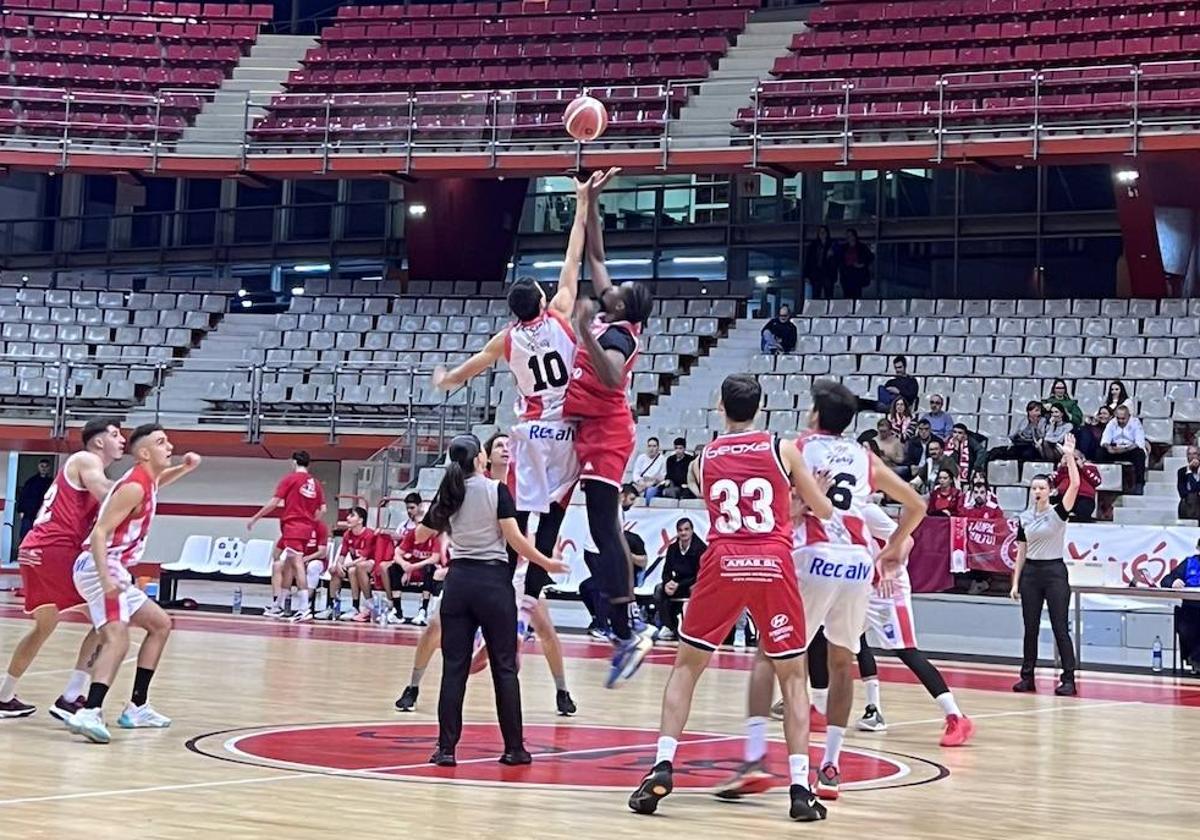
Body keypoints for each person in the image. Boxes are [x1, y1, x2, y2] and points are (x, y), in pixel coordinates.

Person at [628, 374, 835, 822]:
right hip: (771, 562)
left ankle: (662, 764)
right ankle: (801, 789)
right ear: (762, 407)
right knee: (793, 679)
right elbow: (823, 510)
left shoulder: (703, 459)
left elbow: (722, 507)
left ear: (719, 404)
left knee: (686, 668)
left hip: (723, 560)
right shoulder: (783, 449)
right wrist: (805, 491)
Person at [722, 378, 926, 804]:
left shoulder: (797, 448)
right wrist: (891, 551)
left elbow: (790, 504)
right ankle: (830, 766)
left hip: (812, 558)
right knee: (841, 662)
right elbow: (917, 505)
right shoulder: (863, 456)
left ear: (815, 415)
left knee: (769, 656)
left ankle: (756, 757)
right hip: (856, 564)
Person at [394, 433, 578, 717]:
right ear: (485, 457)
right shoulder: (473, 485)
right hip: (481, 570)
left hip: (515, 570)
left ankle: (562, 690)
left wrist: (543, 559)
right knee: (434, 627)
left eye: (510, 445)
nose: (507, 449)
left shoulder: (524, 483)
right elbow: (440, 529)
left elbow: (528, 534)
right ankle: (413, 685)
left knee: (546, 631)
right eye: (500, 445)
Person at [563, 171, 656, 688]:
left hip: (608, 433)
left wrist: (581, 331)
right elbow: (596, 257)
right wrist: (592, 200)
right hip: (584, 427)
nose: (608, 287)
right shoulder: (613, 311)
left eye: (616, 292)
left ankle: (627, 624)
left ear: (621, 308)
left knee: (604, 526)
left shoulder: (618, 332)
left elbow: (614, 376)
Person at [66, 424, 201, 743]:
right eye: (161, 442)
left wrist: (184, 468)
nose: (170, 446)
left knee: (160, 624)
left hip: (113, 567)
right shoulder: (134, 486)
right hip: (100, 565)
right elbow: (99, 533)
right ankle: (89, 710)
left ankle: (137, 707)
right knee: (117, 637)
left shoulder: (147, 480)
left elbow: (157, 483)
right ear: (143, 453)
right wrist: (105, 577)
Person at [0, 419, 124, 721]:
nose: (123, 439)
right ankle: (71, 697)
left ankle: (4, 696)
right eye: (115, 433)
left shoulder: (87, 465)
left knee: (44, 625)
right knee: (105, 618)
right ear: (97, 441)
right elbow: (106, 493)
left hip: (34, 549)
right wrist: (141, 488)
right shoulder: (87, 460)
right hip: (55, 549)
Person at [842, 504, 974, 746]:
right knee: (845, 640)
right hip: (861, 588)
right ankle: (869, 710)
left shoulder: (866, 509)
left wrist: (889, 570)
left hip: (888, 591)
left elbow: (907, 541)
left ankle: (956, 715)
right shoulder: (830, 509)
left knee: (906, 651)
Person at [1010, 434, 1080, 697]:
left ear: (1049, 491)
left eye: (1041, 487)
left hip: (1054, 572)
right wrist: (1016, 581)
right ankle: (1027, 676)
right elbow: (1021, 551)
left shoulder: (1058, 513)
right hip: (1031, 573)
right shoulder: (1024, 518)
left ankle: (1069, 678)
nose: (1037, 491)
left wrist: (1070, 456)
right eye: (1034, 488)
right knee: (1030, 628)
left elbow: (1074, 484)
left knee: (1060, 627)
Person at [247, 450, 327, 619]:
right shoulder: (316, 483)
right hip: (305, 528)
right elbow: (323, 510)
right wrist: (311, 523)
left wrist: (255, 517)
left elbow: (274, 502)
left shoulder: (290, 479)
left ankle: (304, 608)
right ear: (308, 464)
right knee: (289, 566)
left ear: (293, 462)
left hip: (293, 526)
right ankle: (278, 605)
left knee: (297, 564)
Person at [652, 518, 705, 640]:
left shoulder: (701, 548)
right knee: (659, 589)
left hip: (694, 582)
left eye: (686, 529)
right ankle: (668, 626)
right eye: (680, 530)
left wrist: (679, 585)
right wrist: (667, 583)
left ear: (692, 531)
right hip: (677, 582)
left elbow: (700, 574)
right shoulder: (673, 548)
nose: (683, 533)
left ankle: (693, 628)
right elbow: (666, 570)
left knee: (695, 589)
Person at [328, 506, 376, 622]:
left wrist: (345, 566)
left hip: (371, 564)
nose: (348, 518)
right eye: (348, 515)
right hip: (355, 565)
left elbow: (363, 558)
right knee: (334, 570)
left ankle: (357, 606)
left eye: (352, 515)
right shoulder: (347, 534)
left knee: (353, 570)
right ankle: (332, 606)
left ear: (360, 520)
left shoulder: (369, 534)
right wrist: (338, 565)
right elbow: (342, 554)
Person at [1160, 544, 1200, 673]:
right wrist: (1173, 582)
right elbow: (1165, 580)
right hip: (1191, 608)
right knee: (1187, 627)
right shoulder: (1189, 563)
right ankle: (1195, 659)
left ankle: (1196, 658)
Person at [1099, 404, 1147, 494]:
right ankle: (1103, 481)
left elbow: (1139, 443)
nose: (1120, 421)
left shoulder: (1135, 423)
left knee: (1140, 454)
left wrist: (1125, 449)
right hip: (1114, 449)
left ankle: (1139, 485)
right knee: (1100, 452)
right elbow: (1105, 440)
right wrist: (1109, 447)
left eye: (1123, 418)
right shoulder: (1112, 423)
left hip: (1129, 450)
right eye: (1118, 418)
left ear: (1128, 416)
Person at [988, 402, 1045, 467]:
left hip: (1032, 446)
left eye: (1039, 411)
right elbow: (1012, 435)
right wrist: (1018, 434)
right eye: (1036, 411)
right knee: (995, 451)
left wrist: (1035, 426)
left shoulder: (1042, 421)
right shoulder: (1022, 420)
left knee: (1026, 455)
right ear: (1029, 411)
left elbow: (1041, 436)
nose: (1039, 413)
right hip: (1018, 445)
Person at [1054, 451, 1101, 521]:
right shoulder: (1062, 469)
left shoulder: (1090, 468)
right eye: (1069, 458)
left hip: (1084, 497)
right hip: (1064, 496)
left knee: (1083, 510)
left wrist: (1083, 467)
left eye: (1075, 459)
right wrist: (1061, 467)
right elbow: (1054, 482)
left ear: (1083, 459)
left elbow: (1097, 481)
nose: (1072, 461)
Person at [16, 458, 54, 542]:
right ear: (38, 467)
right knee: (26, 537)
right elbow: (23, 496)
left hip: (44, 514)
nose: (44, 468)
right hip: (29, 514)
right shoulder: (31, 482)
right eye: (42, 466)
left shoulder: (52, 483)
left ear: (49, 468)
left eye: (46, 466)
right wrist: (21, 510)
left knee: (41, 538)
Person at [804, 225, 839, 300]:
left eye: (824, 232)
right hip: (816, 273)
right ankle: (816, 310)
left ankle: (829, 310)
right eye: (820, 232)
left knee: (829, 294)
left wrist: (832, 254)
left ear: (827, 233)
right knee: (816, 295)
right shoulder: (813, 245)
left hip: (828, 273)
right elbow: (808, 261)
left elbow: (838, 258)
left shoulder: (832, 244)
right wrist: (806, 275)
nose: (822, 234)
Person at [838, 228, 873, 300]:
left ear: (854, 236)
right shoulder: (843, 247)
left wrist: (862, 264)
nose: (849, 237)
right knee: (847, 296)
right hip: (846, 275)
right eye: (847, 236)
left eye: (851, 235)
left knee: (857, 296)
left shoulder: (862, 247)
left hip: (857, 275)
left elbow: (870, 257)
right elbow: (839, 259)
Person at [631, 437, 667, 502]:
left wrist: (651, 483)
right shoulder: (641, 457)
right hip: (640, 483)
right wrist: (640, 482)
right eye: (649, 446)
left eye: (654, 446)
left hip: (654, 485)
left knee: (650, 492)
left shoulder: (663, 459)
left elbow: (662, 476)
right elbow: (636, 473)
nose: (651, 449)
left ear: (658, 448)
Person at [1177, 446, 1200, 522]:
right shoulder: (1182, 472)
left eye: (1194, 454)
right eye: (1189, 454)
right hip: (1188, 504)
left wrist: (1189, 472)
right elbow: (1182, 493)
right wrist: (1189, 471)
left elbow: (1195, 487)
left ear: (1199, 456)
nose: (1192, 457)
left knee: (1193, 497)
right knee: (1191, 498)